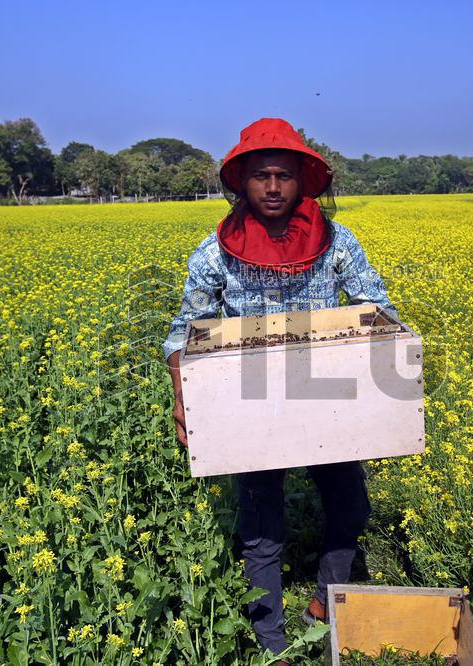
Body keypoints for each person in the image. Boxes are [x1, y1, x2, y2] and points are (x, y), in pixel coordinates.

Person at [161, 117, 399, 663]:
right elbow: (183, 331)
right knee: (261, 523)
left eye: (284, 176)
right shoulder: (214, 253)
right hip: (249, 401)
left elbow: (378, 308)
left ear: (303, 181)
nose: (273, 187)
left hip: (327, 394)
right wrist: (182, 394)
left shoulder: (337, 242)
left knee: (351, 505)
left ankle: (326, 600)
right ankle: (270, 640)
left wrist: (387, 388)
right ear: (241, 183)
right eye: (261, 176)